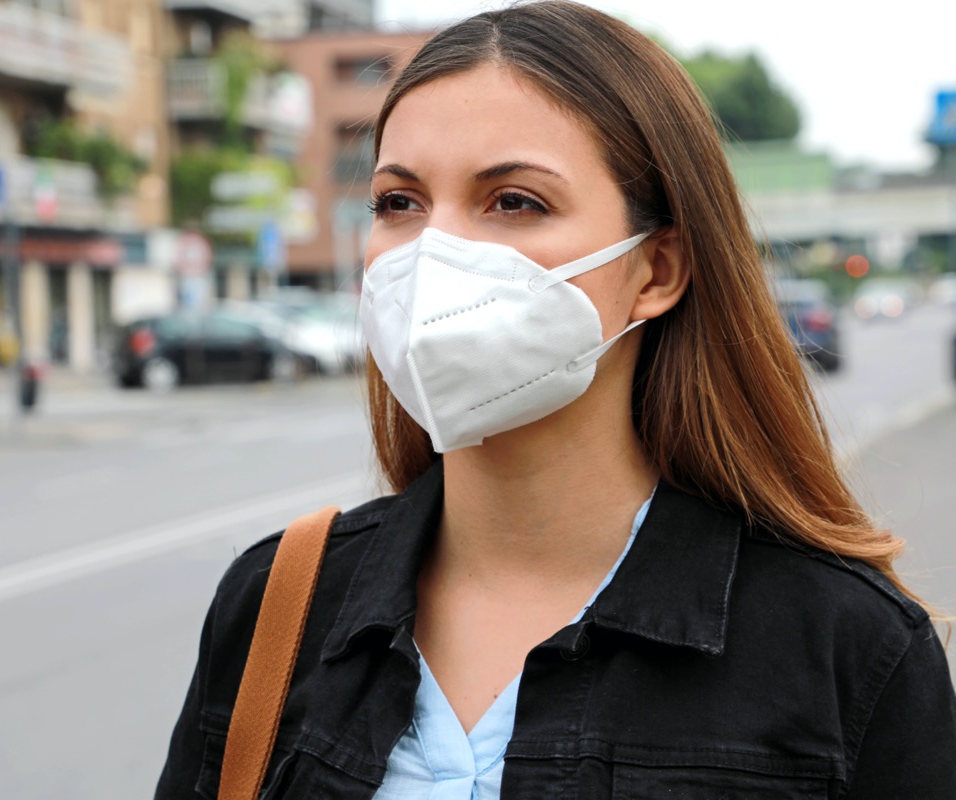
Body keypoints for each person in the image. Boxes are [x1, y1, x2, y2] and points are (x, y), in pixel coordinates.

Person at [155, 2, 956, 797]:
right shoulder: (276, 607)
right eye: (399, 203)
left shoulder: (846, 649)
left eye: (514, 202)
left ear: (658, 270)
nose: (437, 253)